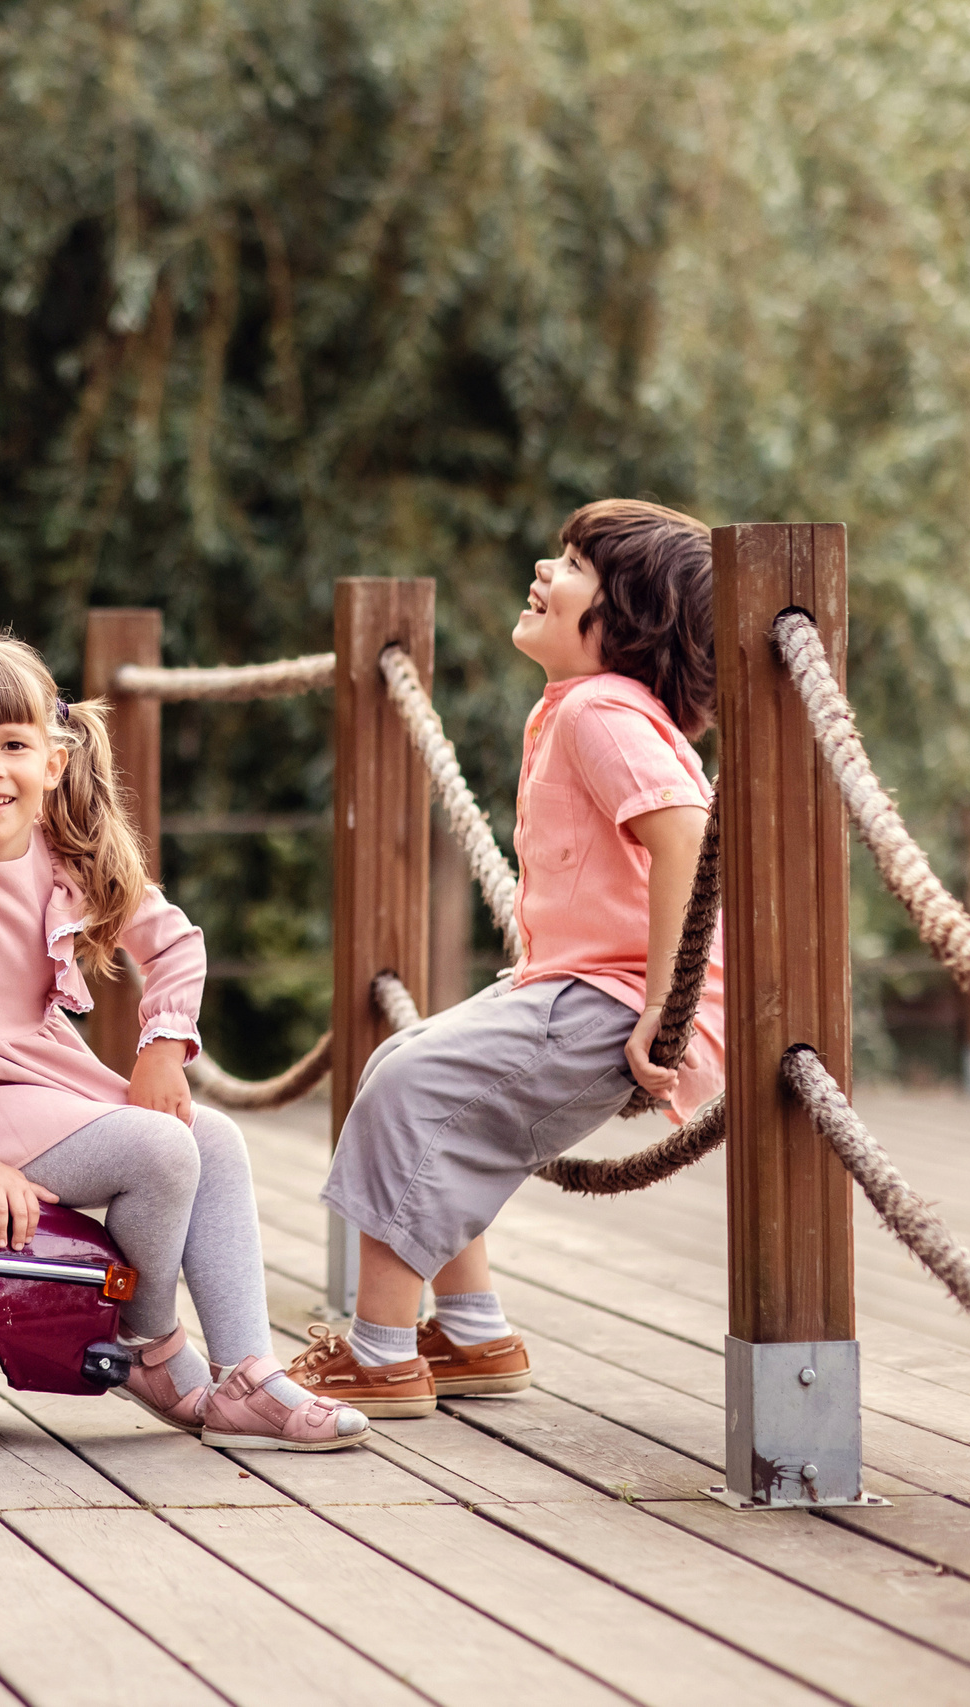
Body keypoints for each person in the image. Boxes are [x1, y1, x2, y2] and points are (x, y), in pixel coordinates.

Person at [0, 634, 368, 1451]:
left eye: (13, 745)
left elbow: (177, 943)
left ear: (54, 758)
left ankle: (248, 1369)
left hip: (37, 1078)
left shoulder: (71, 856)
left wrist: (162, 1045)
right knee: (159, 1152)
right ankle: (149, 1344)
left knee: (210, 1138)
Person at [291, 500, 724, 1417]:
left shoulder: (603, 710)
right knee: (405, 1065)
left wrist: (664, 1003)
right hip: (585, 983)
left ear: (628, 621)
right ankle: (475, 1332)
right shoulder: (591, 706)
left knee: (415, 1091)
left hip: (616, 998)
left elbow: (687, 836)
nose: (543, 569)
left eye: (573, 566)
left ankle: (380, 1354)